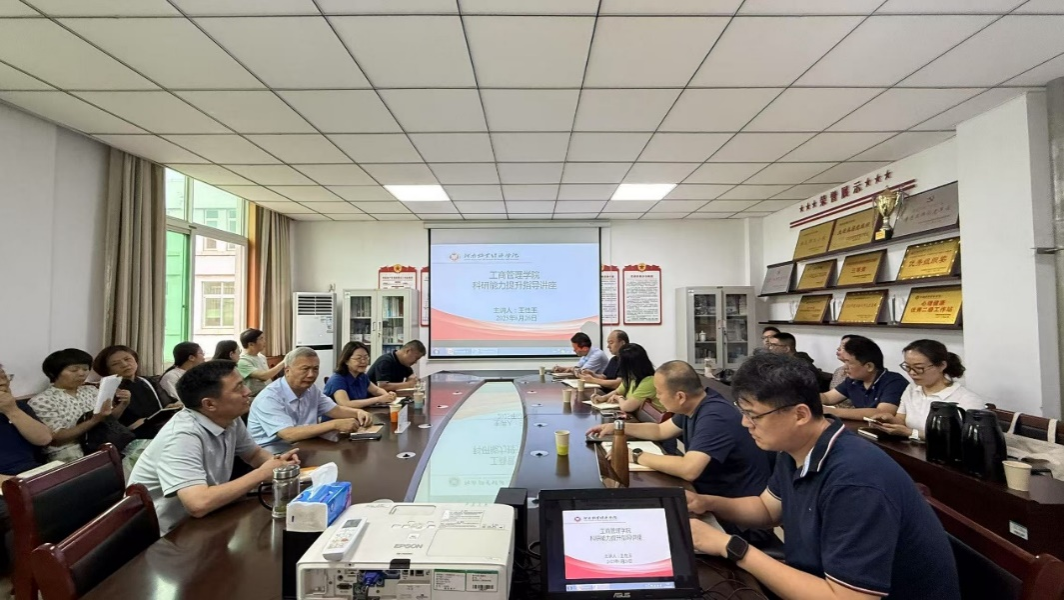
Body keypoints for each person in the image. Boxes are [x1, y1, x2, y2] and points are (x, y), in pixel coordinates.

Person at [686, 352, 961, 600]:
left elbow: (848, 598)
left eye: (753, 415)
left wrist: (732, 547)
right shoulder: (795, 448)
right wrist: (706, 503)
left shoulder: (855, 481)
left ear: (800, 415)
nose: (745, 423)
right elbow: (767, 510)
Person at [128, 360, 301, 534]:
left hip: (207, 517)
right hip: (167, 534)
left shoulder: (229, 418)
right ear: (209, 404)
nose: (247, 391)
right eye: (238, 387)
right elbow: (198, 503)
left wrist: (279, 464)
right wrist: (263, 473)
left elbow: (254, 454)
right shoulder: (181, 436)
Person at [586, 361, 769, 501]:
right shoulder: (694, 404)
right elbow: (660, 430)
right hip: (707, 494)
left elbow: (689, 469)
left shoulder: (715, 416)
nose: (657, 397)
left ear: (680, 396)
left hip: (731, 507)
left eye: (659, 392)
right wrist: (618, 427)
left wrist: (635, 455)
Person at [248, 347, 374, 446]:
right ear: (287, 371)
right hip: (272, 455)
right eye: (305, 369)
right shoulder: (270, 397)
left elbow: (335, 410)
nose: (311, 375)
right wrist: (334, 424)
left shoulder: (311, 390)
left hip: (304, 446)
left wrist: (357, 412)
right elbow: (288, 434)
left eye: (315, 369)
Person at [871, 340, 983, 440]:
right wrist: (889, 419)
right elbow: (901, 420)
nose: (912, 373)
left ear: (942, 365)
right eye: (907, 367)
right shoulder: (912, 389)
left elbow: (961, 438)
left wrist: (912, 433)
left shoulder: (966, 399)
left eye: (919, 368)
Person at [30, 349, 115, 463]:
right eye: (74, 370)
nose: (81, 373)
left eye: (85, 369)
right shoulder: (42, 400)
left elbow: (111, 418)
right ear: (54, 372)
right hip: (67, 451)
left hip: (100, 442)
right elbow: (57, 438)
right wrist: (94, 420)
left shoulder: (91, 390)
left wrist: (124, 403)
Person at [94, 345, 178, 439]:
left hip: (161, 429)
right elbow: (105, 421)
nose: (125, 364)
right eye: (115, 364)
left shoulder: (149, 381)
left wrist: (173, 406)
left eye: (127, 359)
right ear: (107, 370)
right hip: (131, 436)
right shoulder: (106, 389)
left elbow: (167, 404)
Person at [819, 336, 908, 420]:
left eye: (849, 363)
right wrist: (811, 399)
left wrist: (833, 411)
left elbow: (882, 413)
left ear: (869, 366)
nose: (845, 367)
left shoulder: (894, 382)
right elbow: (828, 397)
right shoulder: (853, 380)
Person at [0, 362, 53, 478]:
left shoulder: (16, 406)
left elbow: (44, 439)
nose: (4, 383)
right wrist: (11, 483)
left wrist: (12, 410)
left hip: (31, 472)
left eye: (4, 376)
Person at [589, 343, 663, 413]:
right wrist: (603, 398)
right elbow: (618, 391)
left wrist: (618, 398)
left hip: (652, 420)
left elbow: (626, 407)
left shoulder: (649, 381)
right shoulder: (632, 377)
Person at [324, 342, 397, 409]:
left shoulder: (361, 376)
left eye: (366, 358)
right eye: (358, 358)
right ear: (346, 361)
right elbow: (345, 404)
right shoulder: (337, 379)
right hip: (339, 418)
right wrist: (378, 399)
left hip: (358, 414)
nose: (363, 361)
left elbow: (376, 390)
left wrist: (388, 395)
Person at [236, 329, 285, 398]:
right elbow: (264, 376)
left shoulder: (261, 356)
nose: (264, 341)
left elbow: (268, 378)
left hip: (267, 394)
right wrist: (285, 361)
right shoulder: (242, 361)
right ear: (251, 344)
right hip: (254, 398)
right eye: (261, 339)